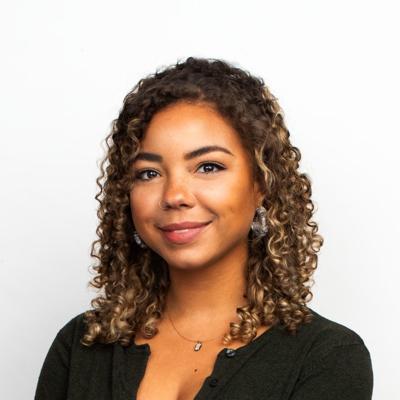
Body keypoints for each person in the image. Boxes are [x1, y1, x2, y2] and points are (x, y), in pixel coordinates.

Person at [34, 57, 373, 400]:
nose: (174, 196)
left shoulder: (327, 359)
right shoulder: (82, 345)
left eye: (208, 167)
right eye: (148, 173)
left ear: (261, 183)